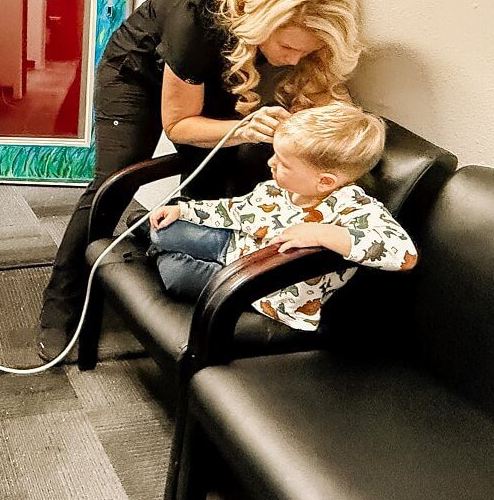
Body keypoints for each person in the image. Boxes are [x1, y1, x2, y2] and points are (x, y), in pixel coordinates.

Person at [38, 0, 363, 359]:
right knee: (114, 180)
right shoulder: (202, 9)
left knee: (218, 171)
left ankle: (183, 279)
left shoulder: (301, 19)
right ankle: (61, 301)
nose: (291, 62)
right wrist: (243, 129)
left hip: (216, 64)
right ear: (261, 20)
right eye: (286, 48)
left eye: (308, 52)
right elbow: (179, 124)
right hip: (137, 71)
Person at [148, 103, 417, 330]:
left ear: (324, 181)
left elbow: (405, 255)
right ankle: (158, 240)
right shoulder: (277, 189)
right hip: (234, 246)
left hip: (257, 289)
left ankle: (158, 251)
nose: (270, 163)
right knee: (166, 228)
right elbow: (236, 210)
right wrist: (184, 211)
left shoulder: (352, 207)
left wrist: (323, 234)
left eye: (283, 163)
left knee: (175, 275)